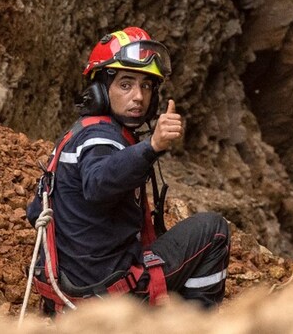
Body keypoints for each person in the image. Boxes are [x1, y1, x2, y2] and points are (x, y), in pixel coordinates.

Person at [27, 26, 230, 315]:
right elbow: (98, 183)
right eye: (126, 84)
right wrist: (152, 146)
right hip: (108, 297)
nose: (138, 97)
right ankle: (190, 325)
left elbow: (35, 211)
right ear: (100, 90)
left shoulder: (78, 135)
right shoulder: (100, 138)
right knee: (214, 230)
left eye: (146, 86)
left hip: (69, 295)